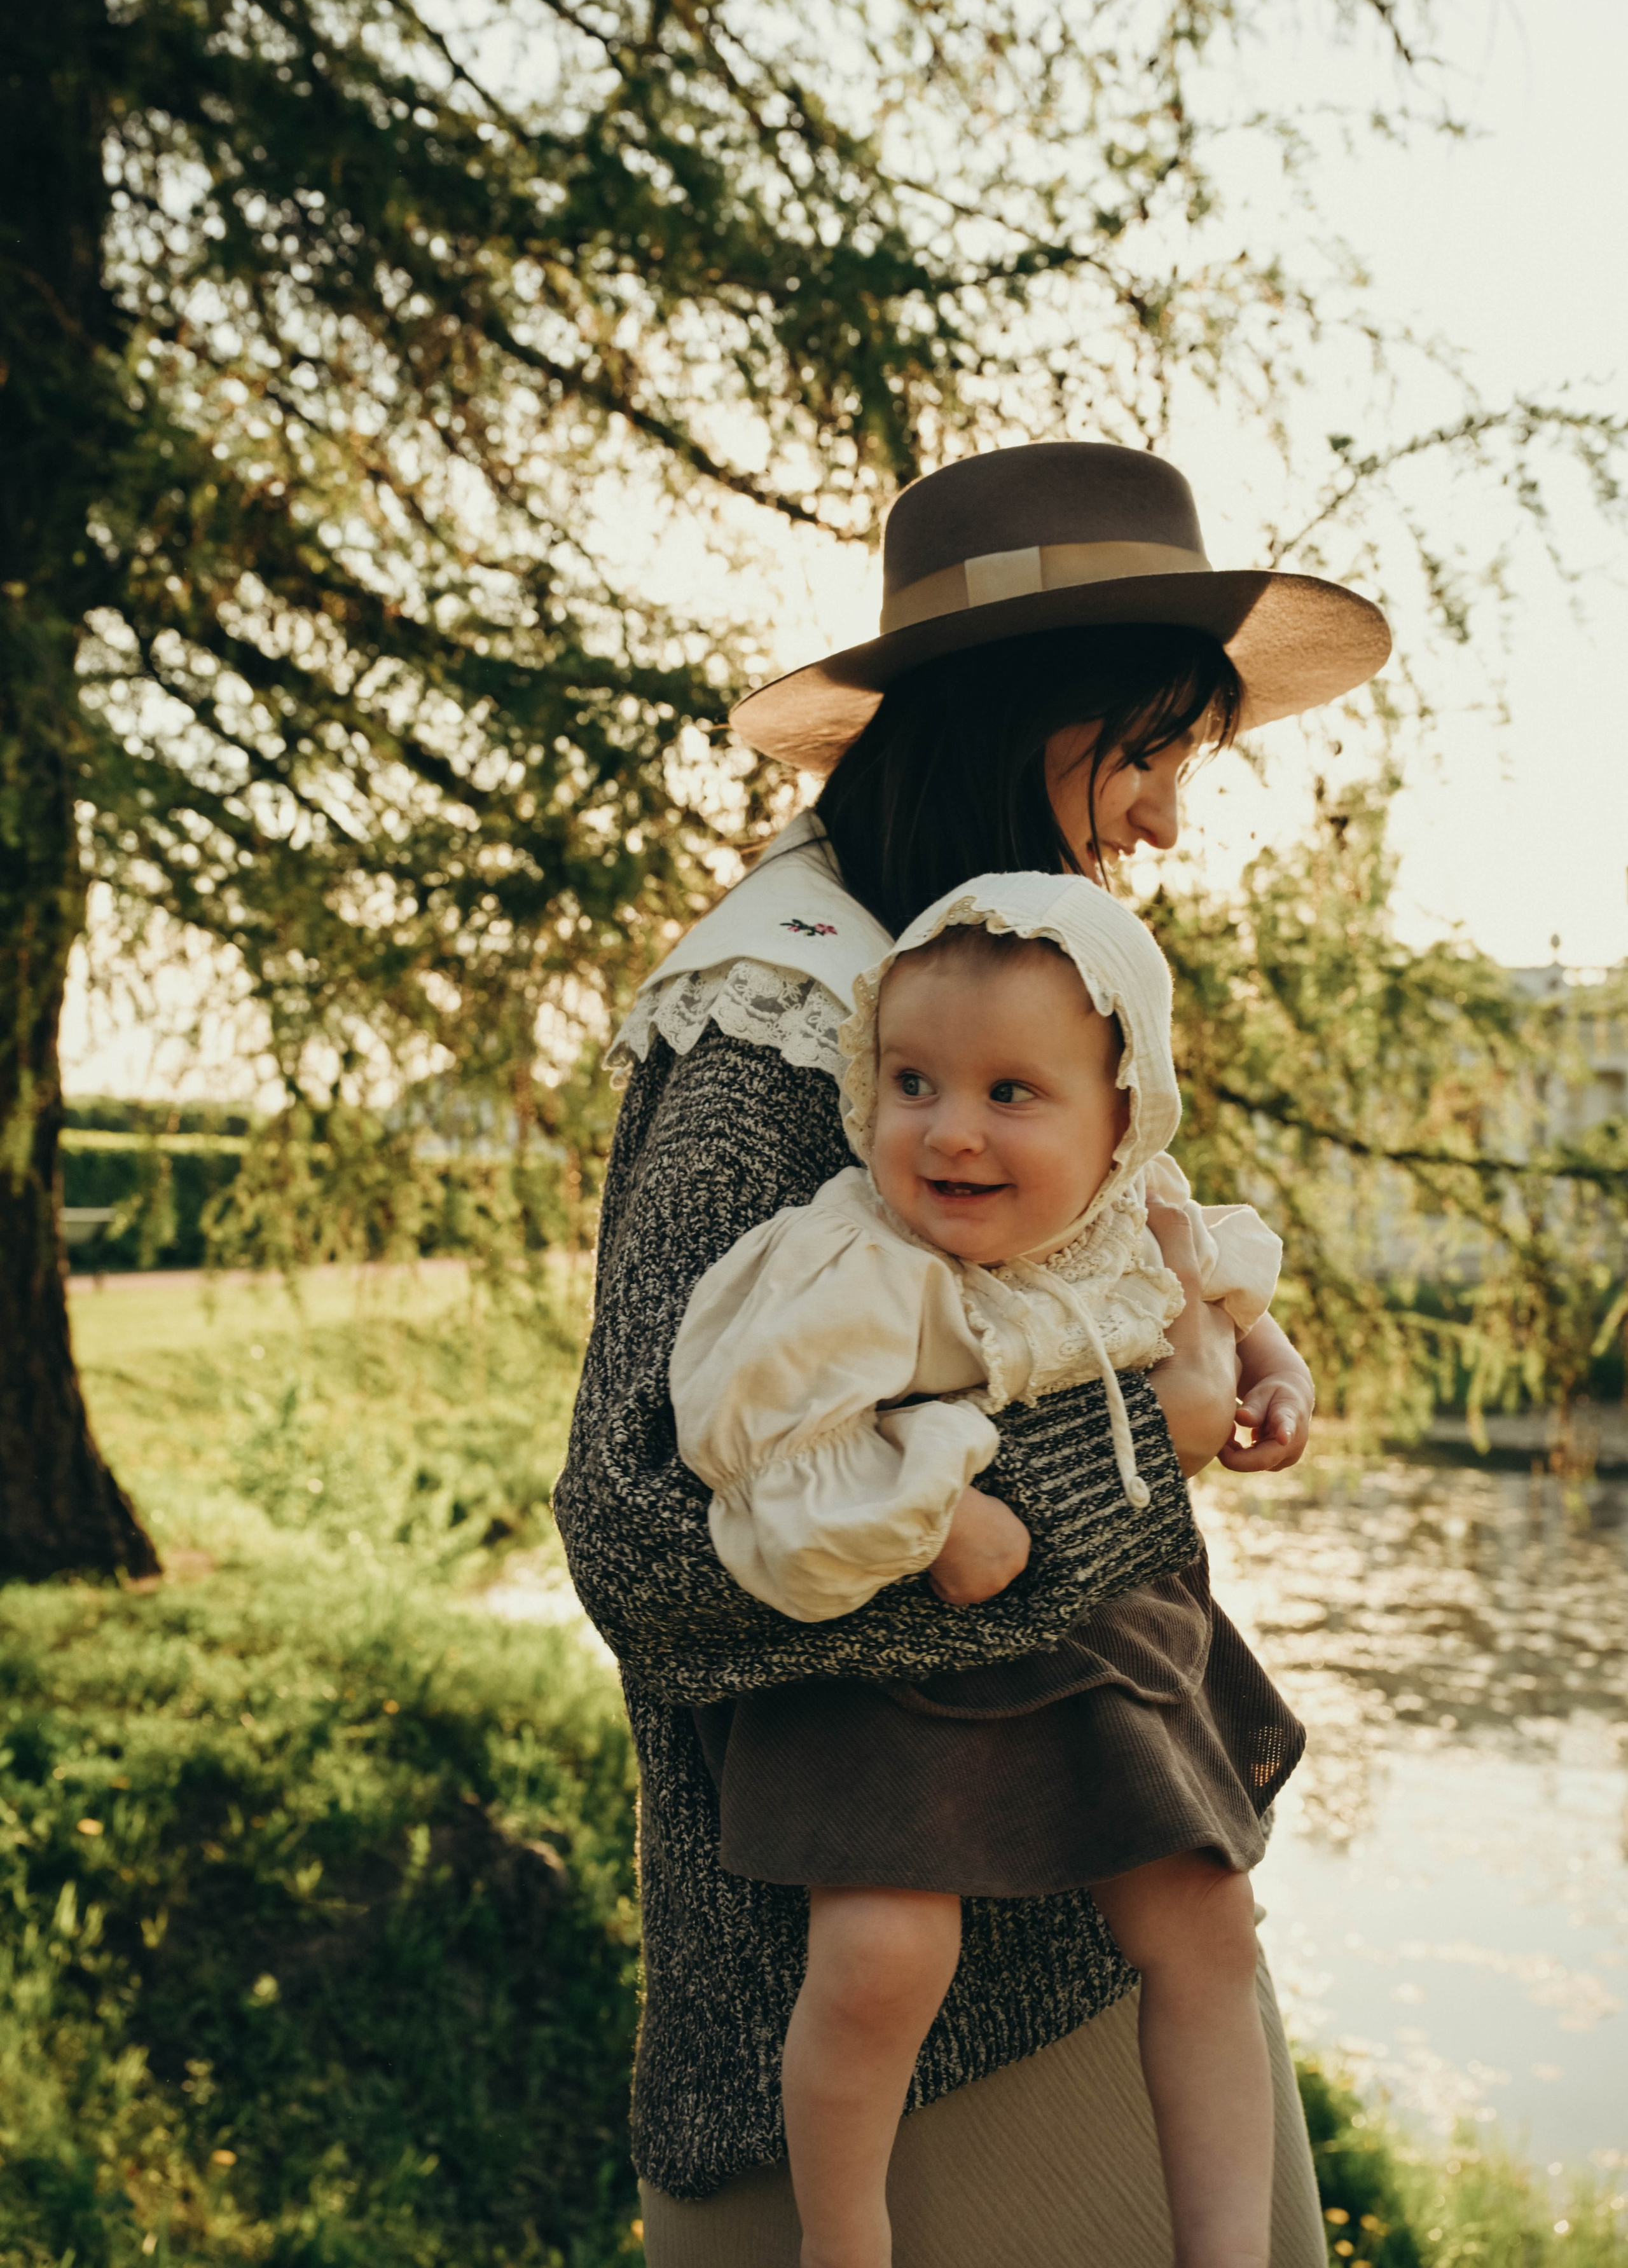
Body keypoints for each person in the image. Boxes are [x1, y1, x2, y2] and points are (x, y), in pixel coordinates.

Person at [554, 439, 1390, 2267]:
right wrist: (1130, 1460)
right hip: (900, 2019)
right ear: (1021, 717)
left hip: (1105, 1898)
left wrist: (1235, 1347)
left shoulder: (974, 979)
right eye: (1148, 750)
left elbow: (1072, 1286)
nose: (1167, 818)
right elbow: (638, 1551)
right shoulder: (767, 1042)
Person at [671, 872, 1300, 2268]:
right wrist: (939, 1515)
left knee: (1203, 1924)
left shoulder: (1137, 1221)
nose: (948, 1131)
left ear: (1123, 1120)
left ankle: (1226, 2252)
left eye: (1011, 1094)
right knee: (884, 1955)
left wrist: (1271, 1368)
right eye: (911, 1082)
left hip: (1103, 1627)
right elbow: (746, 1430)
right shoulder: (848, 1260)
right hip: (891, 1673)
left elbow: (1231, 1294)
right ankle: (846, 2249)